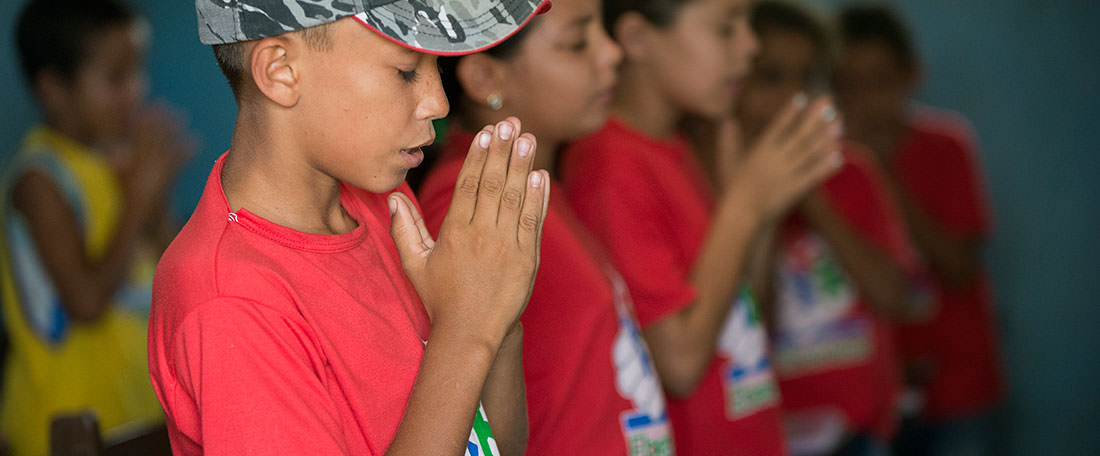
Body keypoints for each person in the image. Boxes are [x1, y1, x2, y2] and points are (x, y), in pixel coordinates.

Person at [146, 1, 554, 454]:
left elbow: (498, 445)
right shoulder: (230, 304)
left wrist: (495, 314)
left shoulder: (380, 203)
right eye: (405, 70)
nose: (439, 102)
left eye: (436, 63)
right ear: (281, 70)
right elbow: (463, 344)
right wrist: (466, 332)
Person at [560, 0, 843, 453]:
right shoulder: (608, 163)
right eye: (727, 27)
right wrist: (745, 206)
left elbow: (747, 324)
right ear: (636, 40)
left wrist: (762, 211)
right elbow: (681, 362)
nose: (750, 46)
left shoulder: (674, 144)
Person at [417, 0, 673, 453]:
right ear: (485, 78)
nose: (612, 53)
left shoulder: (541, 188)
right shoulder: (470, 204)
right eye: (577, 43)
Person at [1, 1, 192, 454]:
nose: (136, 90)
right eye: (115, 78)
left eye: (138, 72)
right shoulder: (39, 179)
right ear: (52, 87)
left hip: (139, 411)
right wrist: (136, 202)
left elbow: (178, 274)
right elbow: (85, 302)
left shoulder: (118, 162)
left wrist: (154, 204)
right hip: (66, 427)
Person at [735, 1, 925, 454]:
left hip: (861, 433)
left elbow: (896, 296)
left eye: (807, 79)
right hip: (773, 434)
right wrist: (763, 203)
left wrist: (812, 199)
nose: (793, 100)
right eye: (771, 77)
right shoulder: (717, 187)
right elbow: (750, 330)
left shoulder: (851, 171)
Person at [833, 5, 1004, 455]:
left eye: (879, 81)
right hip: (875, 399)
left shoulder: (946, 145)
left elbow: (959, 266)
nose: (864, 99)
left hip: (957, 388)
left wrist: (880, 176)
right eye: (847, 84)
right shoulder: (825, 171)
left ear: (911, 75)